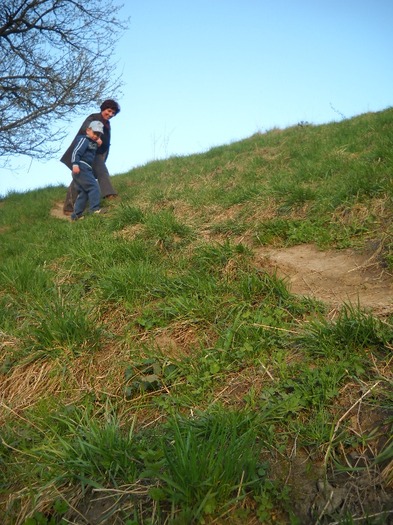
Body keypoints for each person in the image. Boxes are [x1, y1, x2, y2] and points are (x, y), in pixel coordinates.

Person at [61, 99, 121, 215]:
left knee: (100, 171)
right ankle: (69, 207)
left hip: (96, 153)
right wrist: (96, 138)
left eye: (113, 113)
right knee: (79, 177)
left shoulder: (107, 125)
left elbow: (106, 143)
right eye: (109, 111)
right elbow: (85, 129)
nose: (110, 114)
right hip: (86, 150)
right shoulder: (94, 117)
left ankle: (108, 194)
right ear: (103, 108)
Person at [70, 120, 105, 221]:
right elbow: (76, 152)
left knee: (84, 193)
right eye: (95, 133)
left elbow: (91, 150)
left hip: (85, 168)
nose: (96, 136)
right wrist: (75, 164)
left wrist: (98, 144)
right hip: (81, 167)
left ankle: (76, 215)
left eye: (98, 135)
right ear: (88, 131)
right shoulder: (84, 140)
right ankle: (94, 209)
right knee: (94, 187)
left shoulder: (91, 142)